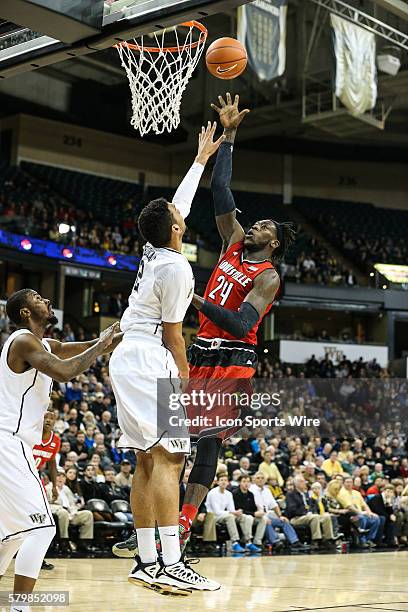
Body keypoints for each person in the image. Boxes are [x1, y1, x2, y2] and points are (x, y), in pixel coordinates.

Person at [177, 93, 296, 551]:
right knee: (179, 437)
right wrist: (229, 136)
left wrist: (199, 302)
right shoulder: (233, 241)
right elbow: (220, 191)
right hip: (202, 348)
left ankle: (185, 522)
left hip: (234, 359)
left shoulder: (267, 277)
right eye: (259, 222)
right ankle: (168, 520)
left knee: (208, 442)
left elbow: (241, 320)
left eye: (267, 226)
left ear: (275, 244)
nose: (258, 225)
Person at [109, 124, 223, 595]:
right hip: (151, 357)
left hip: (127, 355)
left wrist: (200, 159)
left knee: (146, 461)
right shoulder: (175, 265)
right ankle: (172, 563)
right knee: (172, 459)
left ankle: (147, 559)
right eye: (179, 217)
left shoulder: (154, 250)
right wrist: (187, 381)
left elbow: (179, 204)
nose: (183, 215)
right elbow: (176, 335)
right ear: (175, 229)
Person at [0, 289, 119, 610]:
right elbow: (65, 370)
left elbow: (67, 349)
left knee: (11, 535)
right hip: (8, 442)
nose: (48, 301)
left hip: (12, 444)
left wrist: (114, 338)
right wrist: (101, 345)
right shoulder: (23, 341)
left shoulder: (42, 344)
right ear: (25, 312)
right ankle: (19, 607)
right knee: (41, 528)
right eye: (38, 299)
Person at [32, 409, 61, 571]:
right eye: (45, 417)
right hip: (17, 478)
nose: (48, 420)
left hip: (36, 480)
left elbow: (52, 464)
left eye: (52, 418)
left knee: (43, 521)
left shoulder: (55, 441)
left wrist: (55, 486)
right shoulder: (30, 433)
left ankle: (37, 558)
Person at [250, 472, 305, 551]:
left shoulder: (267, 490)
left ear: (265, 480)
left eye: (262, 478)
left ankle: (294, 542)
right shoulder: (251, 490)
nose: (260, 480)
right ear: (254, 480)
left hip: (267, 514)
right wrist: (264, 516)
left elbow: (274, 505)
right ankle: (275, 542)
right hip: (257, 516)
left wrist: (280, 516)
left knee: (284, 521)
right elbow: (253, 507)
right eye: (258, 478)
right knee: (266, 521)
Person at [285, 475, 336, 549]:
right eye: (302, 482)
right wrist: (305, 512)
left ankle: (328, 539)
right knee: (314, 517)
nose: (305, 483)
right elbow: (292, 509)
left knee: (326, 517)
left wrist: (312, 511)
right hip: (296, 518)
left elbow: (312, 506)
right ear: (297, 483)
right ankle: (316, 540)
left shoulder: (306, 494)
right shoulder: (291, 495)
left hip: (309, 516)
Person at [205, 474, 252, 553]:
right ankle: (234, 542)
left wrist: (237, 513)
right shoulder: (213, 493)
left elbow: (231, 509)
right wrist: (232, 512)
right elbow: (217, 511)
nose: (223, 482)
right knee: (230, 516)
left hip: (224, 515)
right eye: (221, 480)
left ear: (228, 483)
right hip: (213, 517)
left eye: (225, 480)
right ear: (218, 482)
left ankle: (248, 541)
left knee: (246, 517)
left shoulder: (229, 494)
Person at [337, 476, 382, 548]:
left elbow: (364, 504)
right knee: (361, 518)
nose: (349, 484)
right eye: (347, 482)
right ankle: (362, 541)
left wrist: (370, 512)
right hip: (350, 515)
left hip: (362, 513)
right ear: (343, 483)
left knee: (376, 518)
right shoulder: (341, 493)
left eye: (351, 482)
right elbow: (349, 507)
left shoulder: (357, 493)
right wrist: (360, 512)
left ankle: (369, 539)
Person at [231, 475, 263, 552]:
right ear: (239, 483)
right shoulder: (235, 493)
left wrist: (259, 511)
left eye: (248, 482)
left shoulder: (250, 494)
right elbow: (239, 510)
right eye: (244, 481)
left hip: (249, 515)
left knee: (263, 519)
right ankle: (248, 542)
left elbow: (253, 509)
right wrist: (254, 514)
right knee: (249, 517)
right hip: (237, 516)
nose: (246, 483)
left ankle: (257, 542)